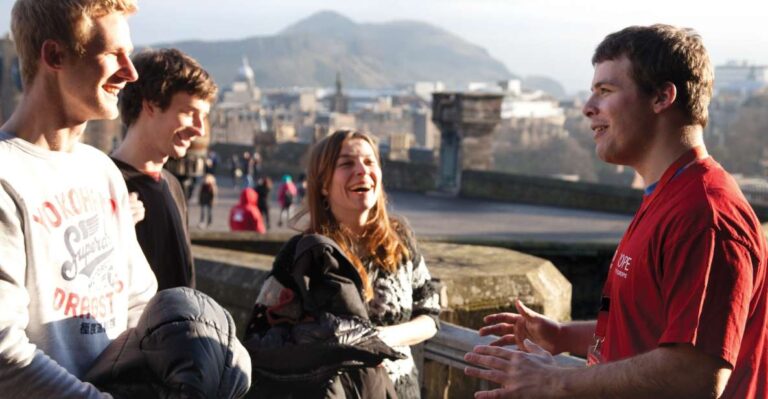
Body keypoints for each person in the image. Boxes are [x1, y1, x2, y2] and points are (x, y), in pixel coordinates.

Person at [465, 24, 768, 399]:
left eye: (605, 91)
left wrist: (555, 381)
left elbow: (694, 374)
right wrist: (563, 336)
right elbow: (656, 326)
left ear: (662, 96)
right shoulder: (667, 194)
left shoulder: (705, 214)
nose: (587, 107)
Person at [0, 1, 157, 397]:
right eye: (112, 54)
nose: (131, 72)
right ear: (54, 55)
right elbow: (3, 353)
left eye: (130, 54)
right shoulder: (6, 175)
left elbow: (137, 301)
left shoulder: (101, 171)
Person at [249, 130, 441, 397]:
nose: (362, 170)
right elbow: (261, 333)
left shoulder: (400, 240)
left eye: (369, 161)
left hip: (399, 392)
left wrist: (376, 340)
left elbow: (430, 313)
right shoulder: (304, 254)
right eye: (346, 163)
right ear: (324, 184)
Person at [111, 48, 217, 290]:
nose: (200, 130)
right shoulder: (105, 182)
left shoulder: (172, 184)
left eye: (204, 117)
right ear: (151, 105)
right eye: (190, 113)